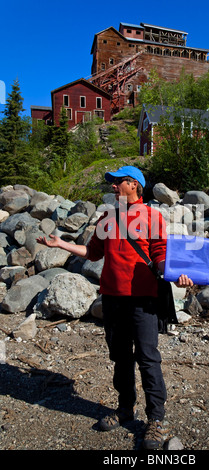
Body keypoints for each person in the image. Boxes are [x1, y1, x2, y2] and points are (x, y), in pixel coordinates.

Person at [36, 165, 193, 449]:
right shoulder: (107, 217)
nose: (113, 187)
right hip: (112, 298)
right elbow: (92, 252)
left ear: (134, 185)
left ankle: (156, 419)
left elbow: (160, 253)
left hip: (143, 298)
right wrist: (61, 244)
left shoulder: (152, 216)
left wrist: (173, 272)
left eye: (118, 182)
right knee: (120, 356)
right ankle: (124, 409)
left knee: (148, 357)